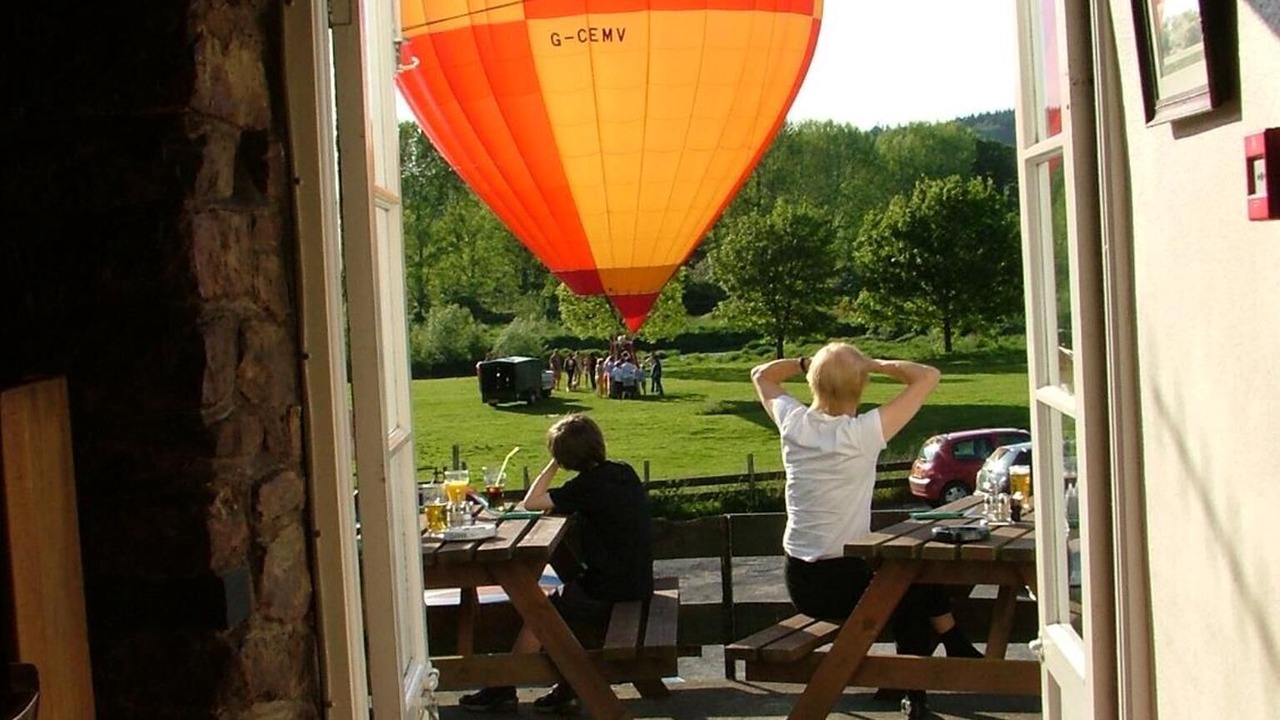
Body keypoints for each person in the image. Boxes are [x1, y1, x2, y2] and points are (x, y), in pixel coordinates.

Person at [750, 343, 979, 719]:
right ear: (861, 385)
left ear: (813, 383)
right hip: (842, 576)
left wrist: (810, 363)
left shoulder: (793, 423)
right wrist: (874, 363)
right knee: (910, 592)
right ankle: (926, 680)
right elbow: (928, 376)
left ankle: (937, 663)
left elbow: (762, 375)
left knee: (911, 579)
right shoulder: (863, 433)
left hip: (801, 578)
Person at [459, 415, 653, 714]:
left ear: (565, 457)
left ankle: (503, 686)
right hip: (637, 579)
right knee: (563, 604)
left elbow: (531, 502)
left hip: (611, 586)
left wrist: (553, 464)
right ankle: (568, 684)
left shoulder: (584, 487)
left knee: (541, 612)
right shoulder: (622, 472)